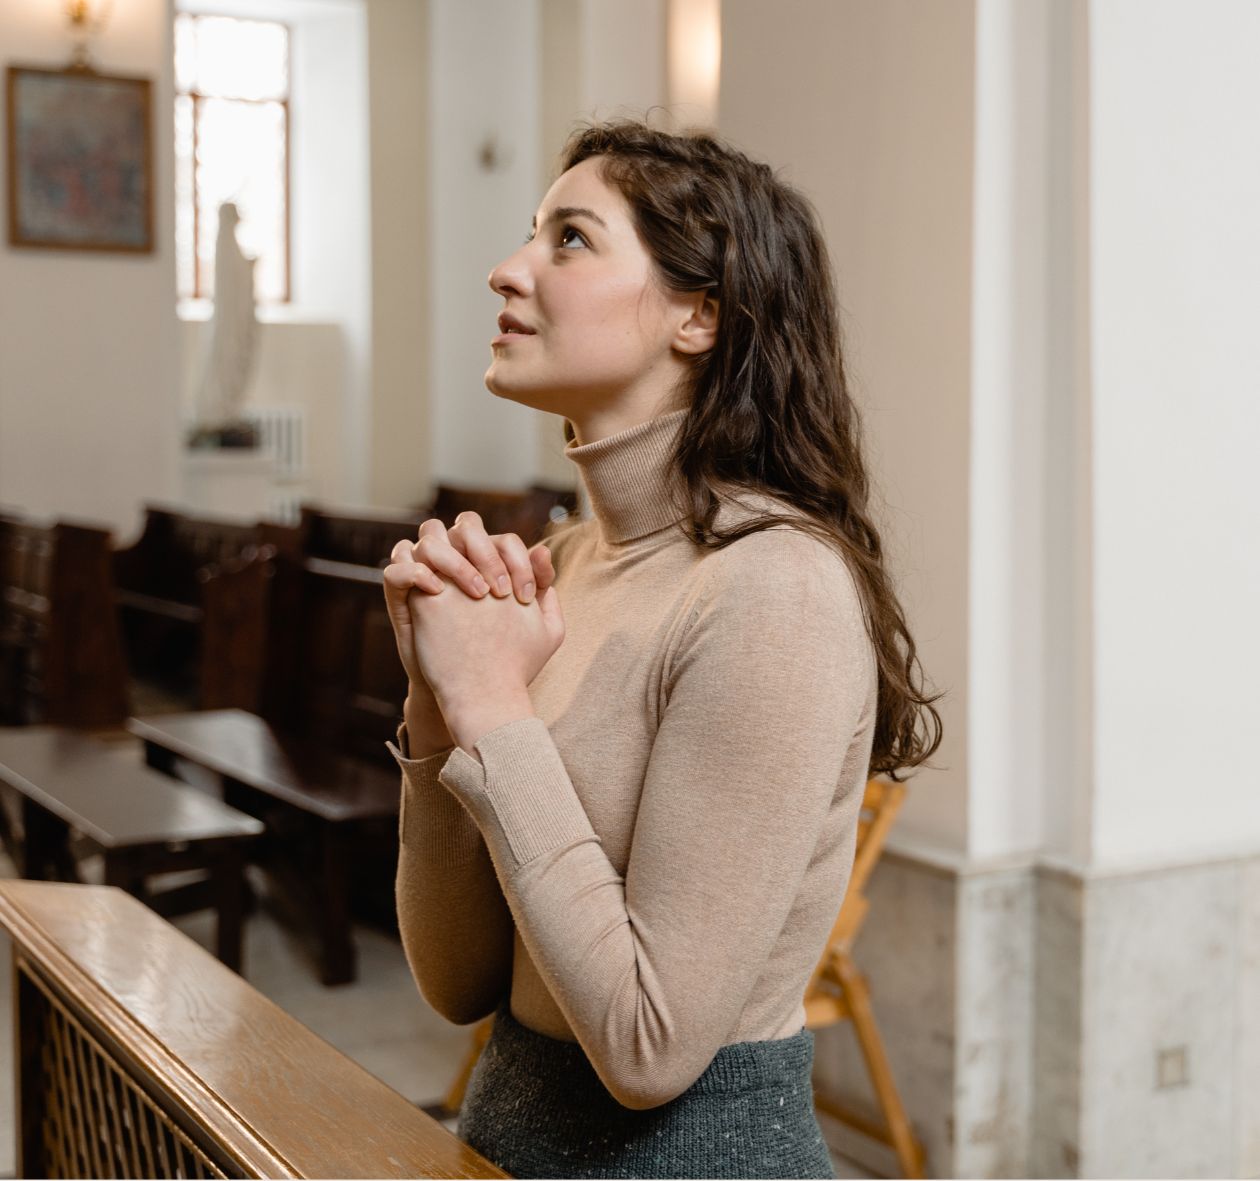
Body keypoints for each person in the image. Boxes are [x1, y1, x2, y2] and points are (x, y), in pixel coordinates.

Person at [381, 120, 942, 1180]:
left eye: (571, 239)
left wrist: (496, 709)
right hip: (507, 1139)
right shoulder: (561, 563)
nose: (508, 271)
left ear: (697, 314)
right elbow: (459, 981)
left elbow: (651, 1045)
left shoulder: (775, 588)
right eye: (529, 236)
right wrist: (437, 699)